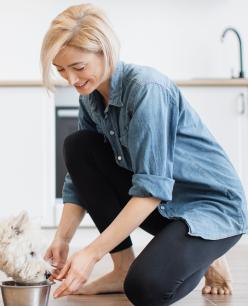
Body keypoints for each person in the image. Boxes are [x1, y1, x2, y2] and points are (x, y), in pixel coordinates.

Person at [40, 4, 248, 306]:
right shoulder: (91, 96)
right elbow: (79, 178)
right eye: (61, 70)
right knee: (78, 145)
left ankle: (208, 251)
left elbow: (151, 190)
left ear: (105, 51)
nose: (70, 80)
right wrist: (63, 239)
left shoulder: (147, 90)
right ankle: (122, 267)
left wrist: (92, 252)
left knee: (144, 288)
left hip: (211, 208)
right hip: (166, 204)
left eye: (78, 67)